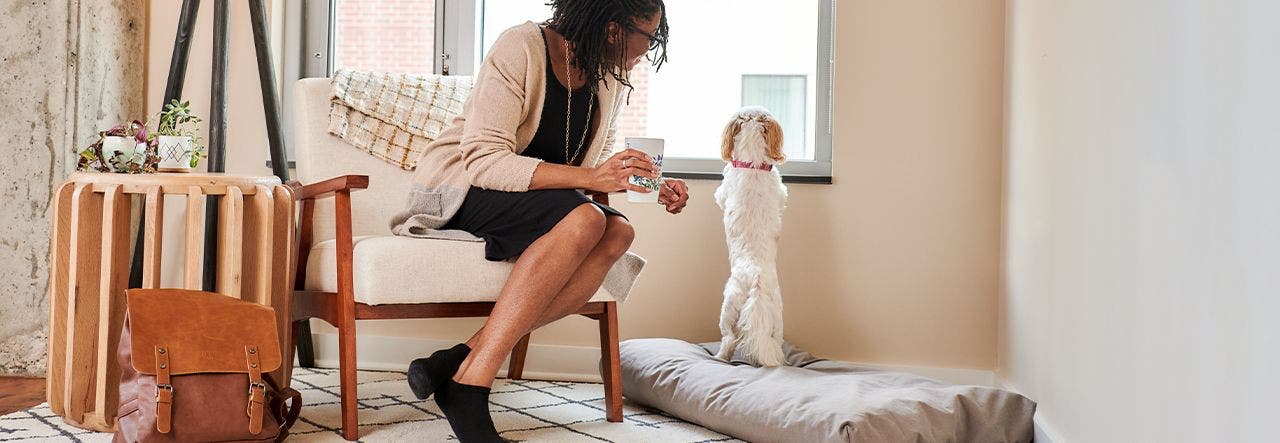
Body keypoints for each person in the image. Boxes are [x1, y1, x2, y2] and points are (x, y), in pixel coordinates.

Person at [392, 1, 686, 441]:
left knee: (620, 229)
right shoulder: (521, 47)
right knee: (588, 220)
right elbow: (483, 162)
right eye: (648, 35)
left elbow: (586, 165)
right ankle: (470, 384)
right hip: (462, 188)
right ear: (612, 29)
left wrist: (645, 182)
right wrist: (592, 178)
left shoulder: (608, 77)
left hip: (537, 199)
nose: (649, 49)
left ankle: (456, 360)